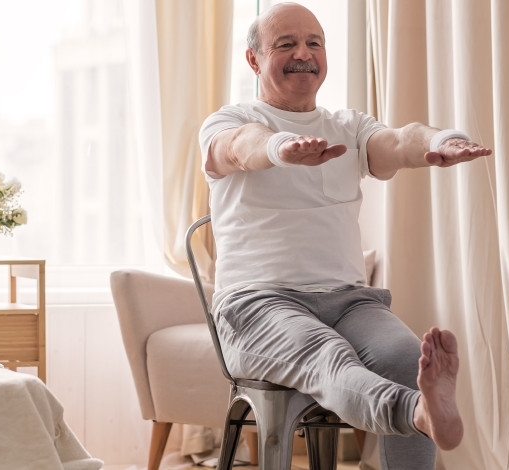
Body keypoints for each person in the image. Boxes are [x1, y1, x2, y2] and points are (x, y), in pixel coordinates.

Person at [198, 3, 492, 468]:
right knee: (328, 355)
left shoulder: (346, 128)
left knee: (406, 357)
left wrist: (440, 142)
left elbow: (398, 140)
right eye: (286, 44)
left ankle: (422, 405)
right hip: (257, 305)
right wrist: (281, 148)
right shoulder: (228, 122)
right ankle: (416, 412)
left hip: (350, 302)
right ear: (254, 60)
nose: (304, 54)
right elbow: (241, 147)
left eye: (314, 42)